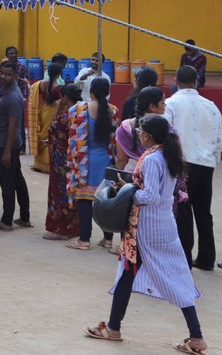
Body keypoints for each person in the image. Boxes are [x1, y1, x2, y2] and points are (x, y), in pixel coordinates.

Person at [83, 115, 206, 354]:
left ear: (147, 136)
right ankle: (114, 327)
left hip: (145, 229)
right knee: (137, 274)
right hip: (163, 226)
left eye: (140, 132)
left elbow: (150, 196)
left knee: (155, 277)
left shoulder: (151, 159)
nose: (138, 134)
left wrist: (126, 193)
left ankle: (196, 336)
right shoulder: (167, 156)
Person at [166, 65, 222, 271]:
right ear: (196, 82)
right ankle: (207, 258)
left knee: (183, 210)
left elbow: (166, 136)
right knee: (203, 212)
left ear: (176, 82)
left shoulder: (170, 104)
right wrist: (213, 156)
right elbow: (219, 138)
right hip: (205, 164)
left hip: (182, 163)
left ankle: (185, 258)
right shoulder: (211, 106)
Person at [66, 77, 118, 250]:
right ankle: (108, 239)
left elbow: (71, 132)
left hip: (85, 162)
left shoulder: (78, 109)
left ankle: (84, 240)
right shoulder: (113, 111)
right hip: (105, 160)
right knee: (106, 201)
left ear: (91, 92)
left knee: (84, 202)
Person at [0, 61, 30, 232]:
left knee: (7, 183)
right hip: (3, 143)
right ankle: (24, 217)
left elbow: (13, 125)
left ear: (16, 76)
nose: (3, 76)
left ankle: (6, 220)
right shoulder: (4, 89)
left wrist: (7, 152)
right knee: (17, 179)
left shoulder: (14, 97)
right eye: (1, 73)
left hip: (6, 145)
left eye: (8, 74)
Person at [43, 84, 82, 241]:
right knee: (71, 191)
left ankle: (61, 229)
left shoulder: (66, 115)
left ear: (65, 98)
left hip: (61, 160)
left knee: (59, 192)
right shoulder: (81, 112)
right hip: (72, 157)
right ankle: (73, 227)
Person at [116, 87, 166, 173]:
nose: (165, 106)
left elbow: (121, 159)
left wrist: (116, 179)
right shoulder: (163, 127)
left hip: (130, 174)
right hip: (156, 173)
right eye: (163, 103)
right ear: (152, 106)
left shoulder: (125, 126)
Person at [27, 63, 64, 174]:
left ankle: (38, 163)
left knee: (41, 135)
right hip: (53, 113)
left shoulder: (40, 84)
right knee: (50, 136)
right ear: (58, 75)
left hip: (42, 111)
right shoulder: (58, 88)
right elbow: (61, 103)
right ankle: (47, 164)